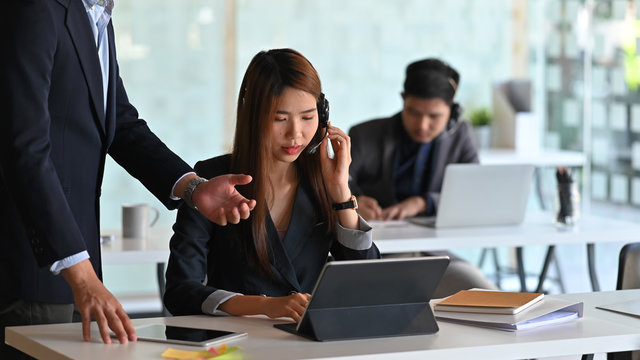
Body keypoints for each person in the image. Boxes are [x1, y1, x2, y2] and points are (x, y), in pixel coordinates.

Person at [0, 1, 256, 356]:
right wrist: (82, 275)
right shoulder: (35, 9)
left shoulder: (98, 17)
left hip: (78, 264)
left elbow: (119, 123)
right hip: (36, 268)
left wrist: (194, 187)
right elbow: (24, 148)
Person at [164, 48, 380, 321]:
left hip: (308, 342)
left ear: (323, 116)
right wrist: (264, 306)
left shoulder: (323, 183)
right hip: (236, 344)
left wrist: (341, 194)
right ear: (252, 116)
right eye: (280, 119)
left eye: (307, 117)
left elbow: (369, 284)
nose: (295, 134)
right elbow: (180, 291)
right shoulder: (212, 179)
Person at [348, 58, 497, 298]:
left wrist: (424, 202)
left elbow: (474, 194)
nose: (422, 125)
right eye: (413, 112)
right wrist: (352, 201)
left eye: (434, 116)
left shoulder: (460, 136)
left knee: (489, 298)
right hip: (375, 254)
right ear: (402, 98)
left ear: (452, 110)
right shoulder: (365, 134)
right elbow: (333, 184)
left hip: (432, 255)